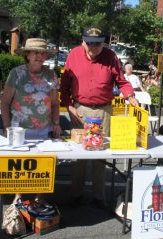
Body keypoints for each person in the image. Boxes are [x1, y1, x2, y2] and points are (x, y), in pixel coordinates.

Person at [60, 25, 139, 209]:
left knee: (99, 156)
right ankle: (76, 194)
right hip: (80, 110)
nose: (93, 48)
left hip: (104, 110)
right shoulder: (73, 55)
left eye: (98, 44)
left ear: (104, 43)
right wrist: (69, 106)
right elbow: (64, 85)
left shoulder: (111, 56)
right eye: (90, 44)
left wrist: (130, 96)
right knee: (78, 156)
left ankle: (98, 197)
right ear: (83, 41)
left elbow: (121, 81)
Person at [1, 38, 62, 203]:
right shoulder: (17, 73)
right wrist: (7, 127)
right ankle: (18, 198)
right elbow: (5, 102)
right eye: (35, 52)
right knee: (20, 167)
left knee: (42, 167)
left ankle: (40, 199)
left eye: (42, 53)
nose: (39, 56)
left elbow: (55, 104)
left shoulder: (50, 74)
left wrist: (56, 124)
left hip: (43, 129)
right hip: (19, 129)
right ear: (27, 55)